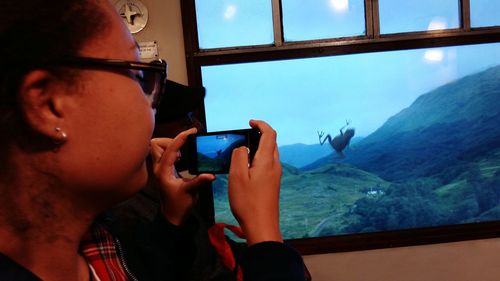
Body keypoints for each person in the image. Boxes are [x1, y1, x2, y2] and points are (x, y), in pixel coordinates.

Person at [0, 0, 306, 281]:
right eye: (139, 75)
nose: (152, 109)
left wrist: (172, 219)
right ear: (50, 104)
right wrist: (265, 236)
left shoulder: (102, 247)